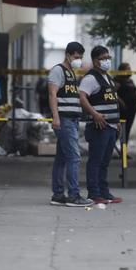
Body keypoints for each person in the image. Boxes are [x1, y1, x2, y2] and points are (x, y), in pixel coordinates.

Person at [47, 42, 93, 207]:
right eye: (76, 57)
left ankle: (58, 195)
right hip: (64, 120)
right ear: (67, 55)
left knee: (62, 158)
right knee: (74, 157)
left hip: (72, 120)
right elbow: (52, 94)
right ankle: (73, 195)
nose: (78, 60)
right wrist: (56, 117)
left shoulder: (71, 73)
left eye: (80, 57)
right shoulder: (58, 71)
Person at [79, 46, 123, 204]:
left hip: (110, 127)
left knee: (105, 162)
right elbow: (82, 97)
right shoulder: (91, 78)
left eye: (108, 58)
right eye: (103, 58)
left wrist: (116, 121)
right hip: (99, 127)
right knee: (96, 161)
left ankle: (104, 192)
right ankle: (94, 193)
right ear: (95, 61)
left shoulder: (108, 78)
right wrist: (94, 114)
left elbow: (111, 100)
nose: (106, 61)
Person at [114, 62, 136, 144]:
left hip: (132, 109)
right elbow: (113, 93)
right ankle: (108, 148)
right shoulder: (117, 80)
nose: (130, 70)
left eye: (130, 68)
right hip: (122, 109)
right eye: (127, 69)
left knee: (127, 130)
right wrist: (121, 102)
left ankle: (124, 152)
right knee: (118, 130)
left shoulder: (130, 81)